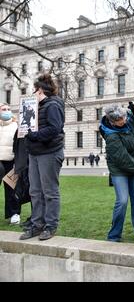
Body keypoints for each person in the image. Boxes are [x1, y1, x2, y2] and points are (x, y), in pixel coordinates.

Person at [99, 103, 134, 243]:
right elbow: (125, 161)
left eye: (123, 117)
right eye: (119, 120)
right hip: (120, 170)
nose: (123, 121)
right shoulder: (111, 136)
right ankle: (114, 235)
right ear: (112, 121)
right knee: (122, 201)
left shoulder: (129, 118)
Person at [20, 74, 65, 241]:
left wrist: (35, 135)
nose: (33, 93)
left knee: (50, 191)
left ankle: (50, 225)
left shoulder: (53, 105)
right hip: (35, 153)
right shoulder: (36, 106)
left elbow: (55, 129)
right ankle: (37, 224)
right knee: (35, 191)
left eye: (34, 90)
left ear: (40, 90)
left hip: (50, 152)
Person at [0, 103, 20, 225]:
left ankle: (14, 214)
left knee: (12, 189)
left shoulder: (16, 126)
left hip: (11, 161)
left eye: (8, 109)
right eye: (3, 109)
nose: (7, 111)